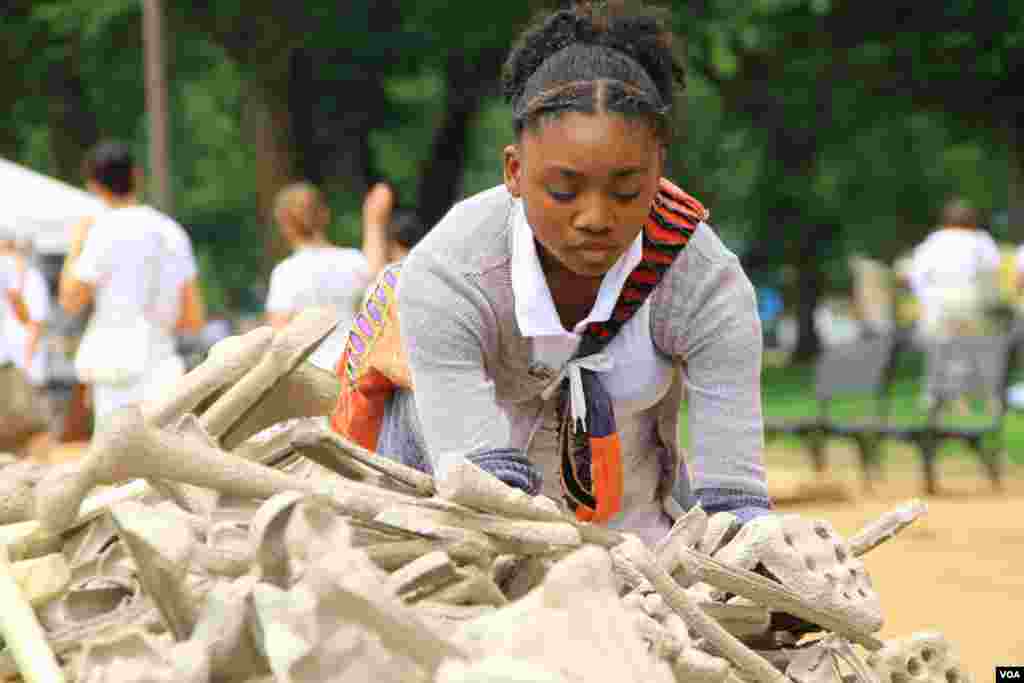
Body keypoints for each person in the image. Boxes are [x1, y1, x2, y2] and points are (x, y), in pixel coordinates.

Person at [332, 2, 770, 547]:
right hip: (458, 543)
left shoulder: (705, 285)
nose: (595, 218)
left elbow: (736, 499)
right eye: (564, 191)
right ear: (515, 171)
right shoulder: (451, 275)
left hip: (643, 560)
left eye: (627, 191)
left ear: (659, 168)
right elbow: (482, 491)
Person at [59, 140, 206, 427]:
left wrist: (76, 244)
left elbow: (70, 300)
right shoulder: (171, 232)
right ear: (137, 175)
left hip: (115, 372)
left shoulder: (100, 232)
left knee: (119, 468)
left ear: (94, 186)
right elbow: (193, 317)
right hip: (163, 367)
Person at [266, 180, 392, 370]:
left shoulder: (285, 273)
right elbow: (380, 282)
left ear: (285, 225)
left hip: (313, 381)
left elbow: (278, 340)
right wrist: (374, 220)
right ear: (324, 215)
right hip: (354, 372)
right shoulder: (354, 260)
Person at [906, 198, 1001, 343]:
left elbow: (917, 277)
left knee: (938, 348)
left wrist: (927, 302)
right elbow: (991, 275)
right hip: (972, 306)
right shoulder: (982, 240)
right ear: (973, 220)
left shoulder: (932, 242)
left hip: (937, 306)